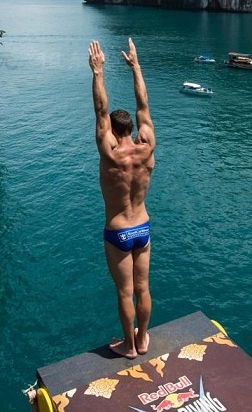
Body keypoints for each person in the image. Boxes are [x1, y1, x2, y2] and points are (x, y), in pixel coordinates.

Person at [88, 38, 156, 359]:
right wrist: (135, 66)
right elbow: (143, 106)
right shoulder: (146, 146)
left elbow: (101, 110)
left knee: (125, 292)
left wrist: (98, 72)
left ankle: (128, 346)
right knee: (143, 289)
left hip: (118, 232)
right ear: (132, 129)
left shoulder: (110, 153)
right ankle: (143, 340)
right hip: (142, 228)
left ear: (114, 131)